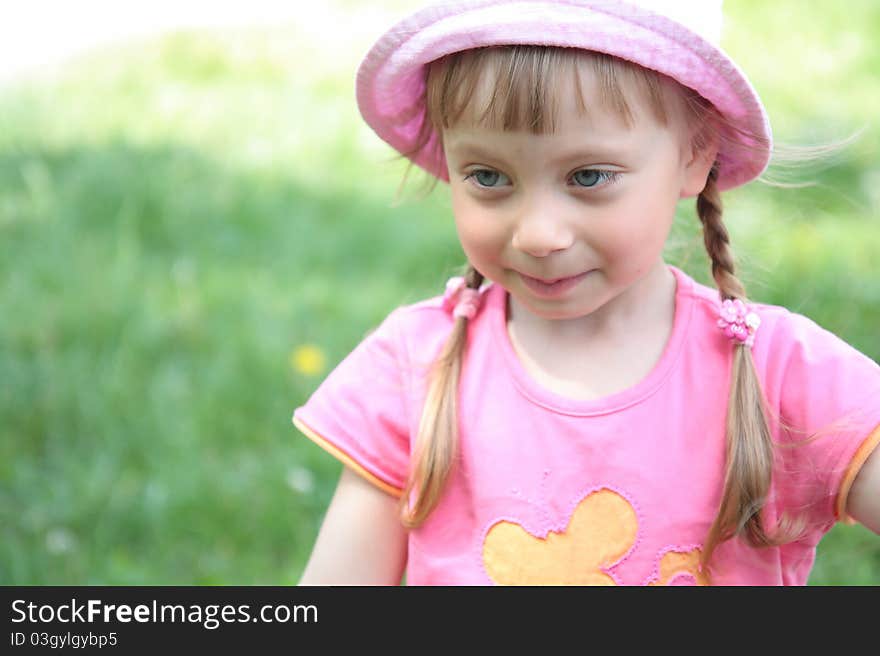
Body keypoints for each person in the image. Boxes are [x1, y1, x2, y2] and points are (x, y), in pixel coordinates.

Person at [292, 0, 880, 585]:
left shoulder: (780, 373)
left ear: (695, 155)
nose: (539, 234)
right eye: (489, 177)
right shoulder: (414, 368)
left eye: (589, 176)